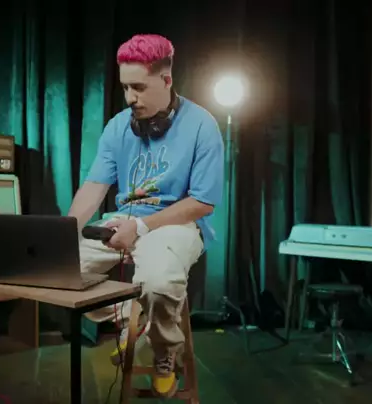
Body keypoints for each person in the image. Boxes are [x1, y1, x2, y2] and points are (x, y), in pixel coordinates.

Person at [67, 33, 224, 398]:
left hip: (177, 223)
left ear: (166, 80)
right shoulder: (117, 126)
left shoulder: (202, 125)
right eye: (125, 87)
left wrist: (140, 226)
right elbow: (94, 187)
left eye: (138, 87)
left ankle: (164, 354)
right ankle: (134, 318)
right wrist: (64, 233)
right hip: (123, 219)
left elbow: (203, 202)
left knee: (159, 282)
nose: (129, 98)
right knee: (58, 271)